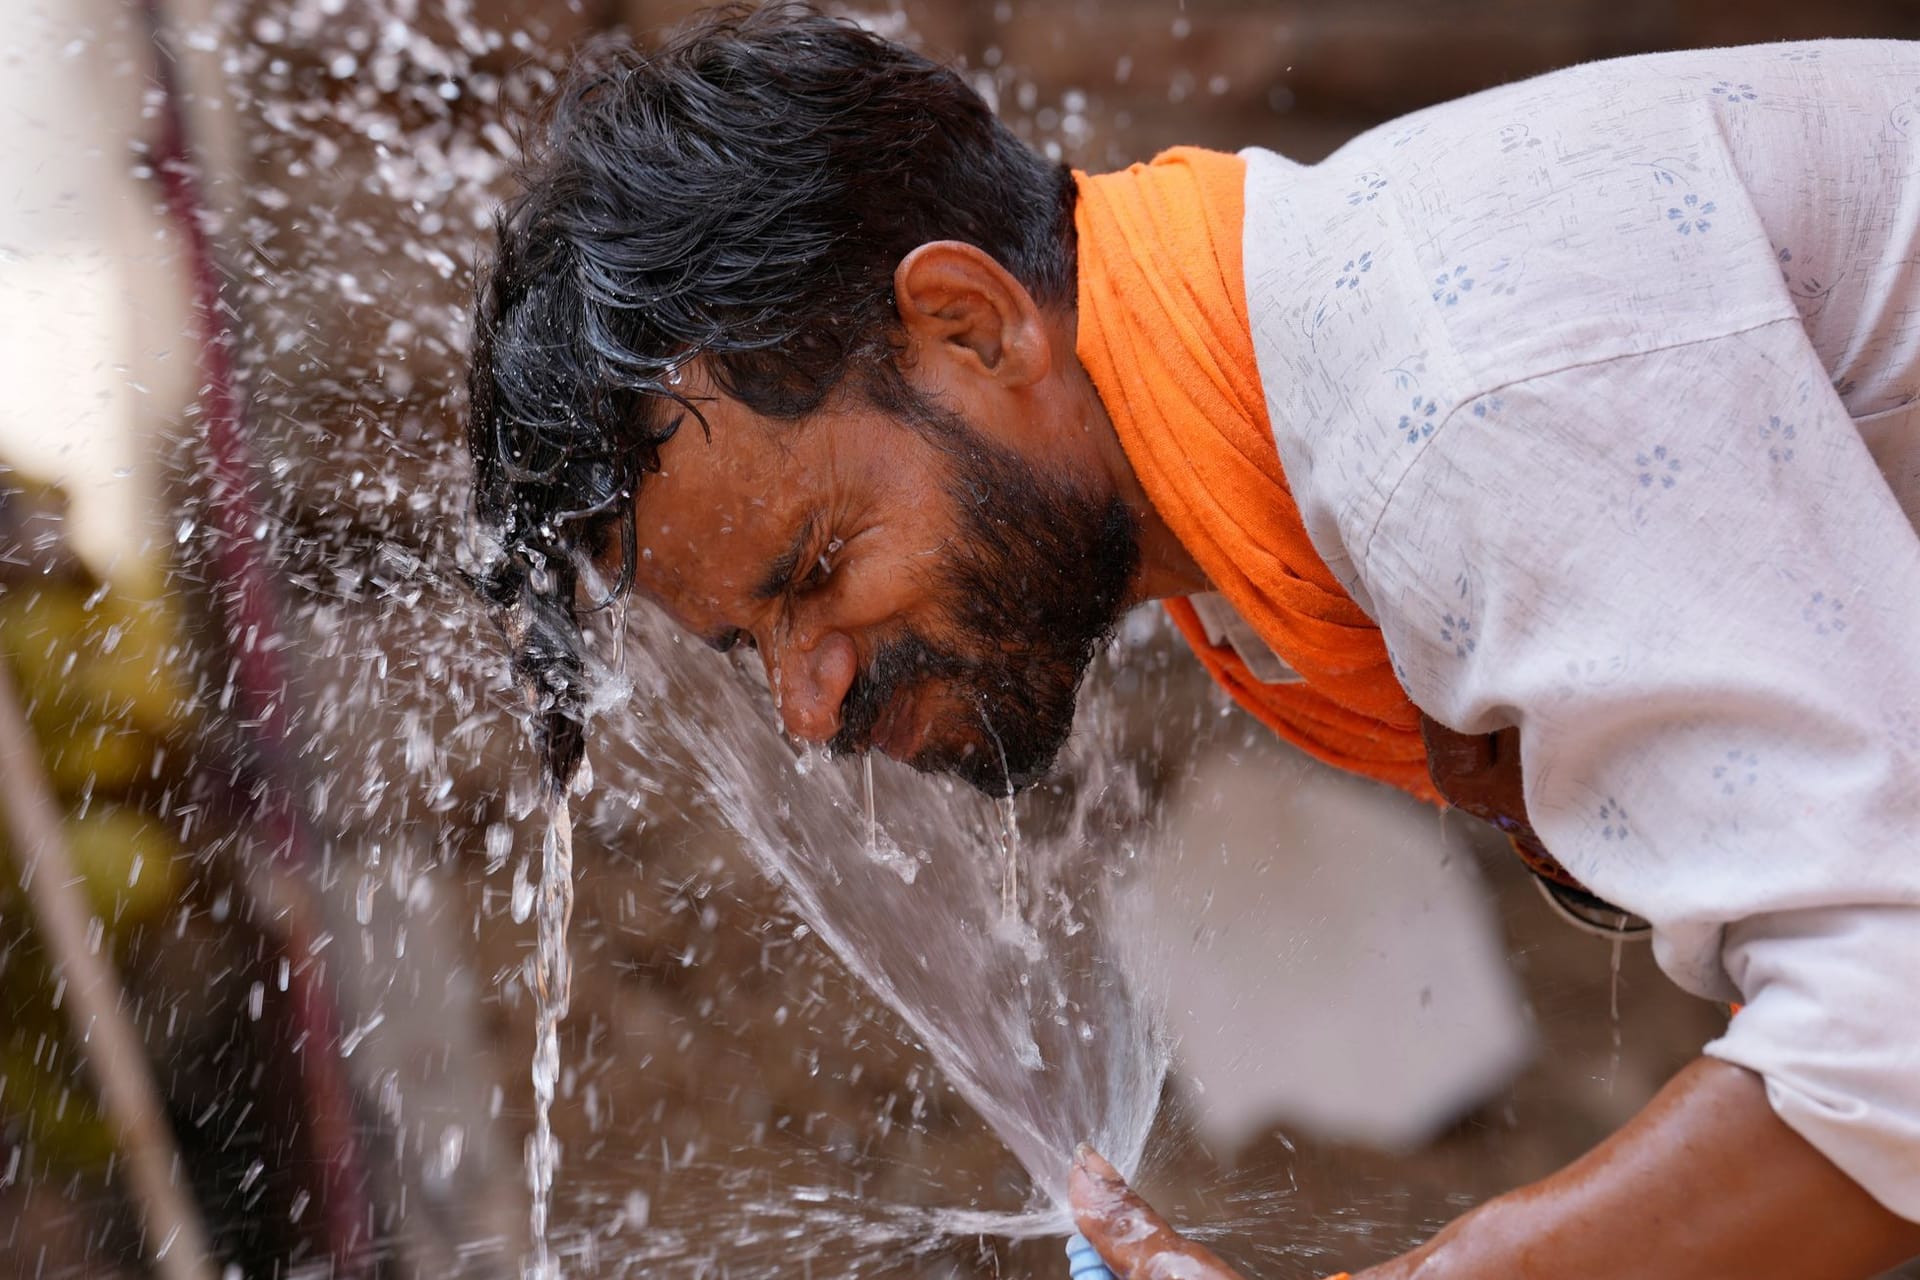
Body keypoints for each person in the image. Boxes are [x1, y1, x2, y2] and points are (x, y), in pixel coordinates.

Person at [466, 5, 1920, 1276]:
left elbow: (1892, 1032)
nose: (806, 703)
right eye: (749, 646)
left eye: (816, 569)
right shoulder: (1298, 454)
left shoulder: (1445, 392)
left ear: (972, 325)